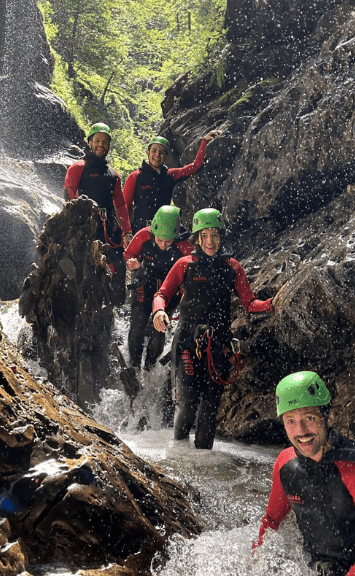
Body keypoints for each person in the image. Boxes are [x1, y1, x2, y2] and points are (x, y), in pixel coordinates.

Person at [152, 208, 273, 449]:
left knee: (209, 407)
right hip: (187, 341)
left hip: (219, 345)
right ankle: (178, 455)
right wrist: (159, 311)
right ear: (196, 238)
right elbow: (162, 294)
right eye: (204, 235)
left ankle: (204, 461)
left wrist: (273, 304)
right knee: (186, 404)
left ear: (221, 237)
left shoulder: (232, 267)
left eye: (215, 236)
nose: (210, 241)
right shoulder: (184, 264)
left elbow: (249, 304)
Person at [253, 371, 355, 576]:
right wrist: (255, 565)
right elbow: (271, 522)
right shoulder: (285, 464)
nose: (301, 431)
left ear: (330, 417)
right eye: (290, 421)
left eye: (309, 418)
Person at [64, 122, 132, 304]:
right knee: (86, 270)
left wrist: (127, 232)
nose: (101, 145)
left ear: (109, 145)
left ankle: (116, 308)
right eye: (97, 140)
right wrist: (75, 222)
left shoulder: (113, 175)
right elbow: (69, 192)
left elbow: (120, 205)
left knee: (118, 267)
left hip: (109, 229)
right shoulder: (78, 167)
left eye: (105, 141)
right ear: (90, 143)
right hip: (85, 227)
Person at [123, 205, 194, 373]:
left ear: (176, 235)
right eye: (159, 239)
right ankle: (134, 366)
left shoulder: (185, 246)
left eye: (167, 241)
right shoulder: (143, 235)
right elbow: (128, 254)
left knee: (158, 331)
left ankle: (148, 369)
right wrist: (133, 263)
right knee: (138, 323)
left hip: (169, 290)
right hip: (145, 282)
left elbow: (190, 278)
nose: (162, 245)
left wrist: (185, 296)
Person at [122, 130, 220, 231]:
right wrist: (126, 232)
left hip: (164, 229)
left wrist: (204, 141)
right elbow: (124, 207)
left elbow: (195, 166)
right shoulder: (135, 177)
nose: (157, 155)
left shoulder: (170, 175)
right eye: (154, 151)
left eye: (161, 152)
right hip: (140, 229)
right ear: (148, 153)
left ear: (166, 157)